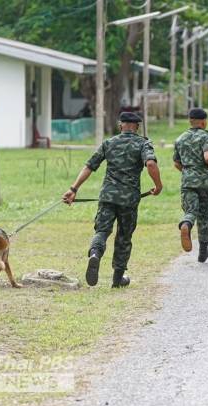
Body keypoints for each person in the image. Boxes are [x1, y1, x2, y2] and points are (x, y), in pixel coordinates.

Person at [63, 111, 163, 288]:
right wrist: (158, 185)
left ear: (120, 125)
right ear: (137, 127)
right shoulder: (143, 143)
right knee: (124, 236)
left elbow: (89, 166)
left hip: (107, 196)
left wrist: (73, 189)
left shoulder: (109, 143)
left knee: (102, 231)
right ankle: (117, 279)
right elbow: (150, 163)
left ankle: (95, 254)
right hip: (129, 200)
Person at [174, 107, 208, 262]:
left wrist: (188, 173)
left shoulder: (180, 138)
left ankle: (186, 223)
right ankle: (203, 251)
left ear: (190, 121)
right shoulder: (207, 137)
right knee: (204, 215)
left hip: (187, 181)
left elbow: (177, 163)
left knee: (191, 211)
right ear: (204, 122)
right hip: (205, 182)